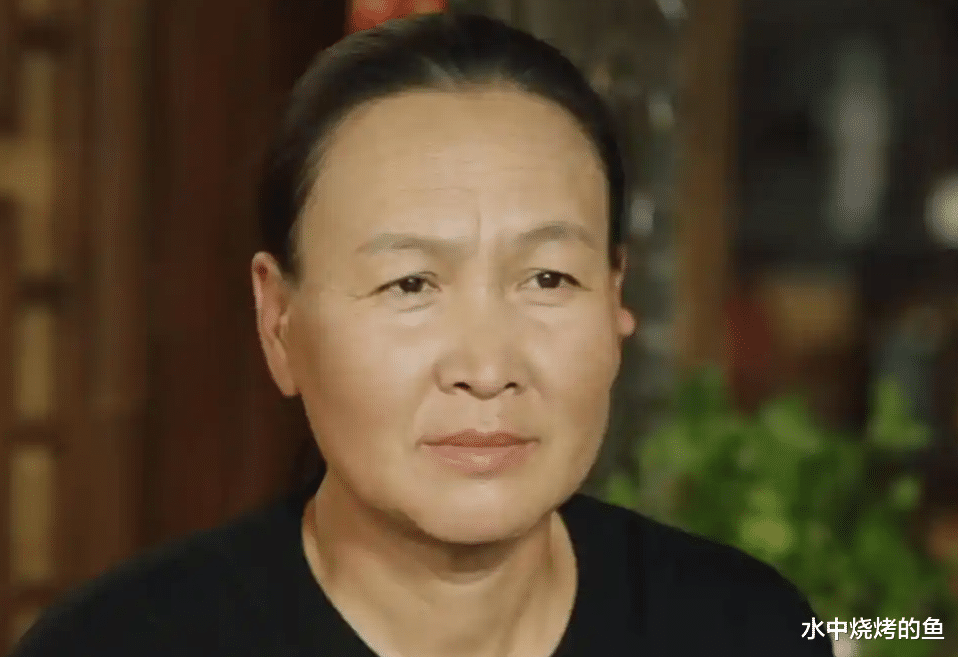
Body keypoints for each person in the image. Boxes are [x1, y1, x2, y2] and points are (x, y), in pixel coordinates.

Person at [10, 12, 834, 657]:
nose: (487, 366)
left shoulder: (744, 628)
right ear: (278, 319)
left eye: (548, 278)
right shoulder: (119, 646)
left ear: (617, 300)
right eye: (410, 284)